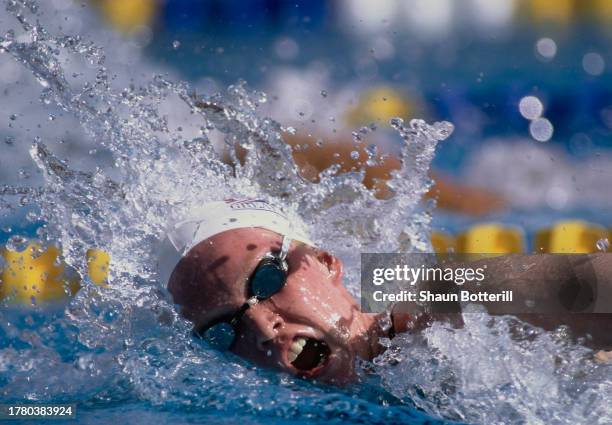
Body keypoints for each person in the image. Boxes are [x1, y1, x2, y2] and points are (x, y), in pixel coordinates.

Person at [163, 199, 612, 385]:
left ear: (325, 262)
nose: (261, 327)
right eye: (222, 330)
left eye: (264, 281)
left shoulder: (439, 302)